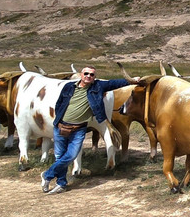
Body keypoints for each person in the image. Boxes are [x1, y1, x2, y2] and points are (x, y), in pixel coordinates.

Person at [41, 66, 137, 194]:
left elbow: (113, 83)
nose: (88, 76)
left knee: (71, 155)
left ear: (94, 77)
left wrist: (132, 80)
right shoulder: (69, 87)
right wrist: (58, 119)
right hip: (61, 127)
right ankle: (61, 183)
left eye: (92, 75)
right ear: (81, 75)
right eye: (86, 73)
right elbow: (59, 103)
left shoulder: (97, 87)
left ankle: (47, 175)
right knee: (60, 156)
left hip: (78, 129)